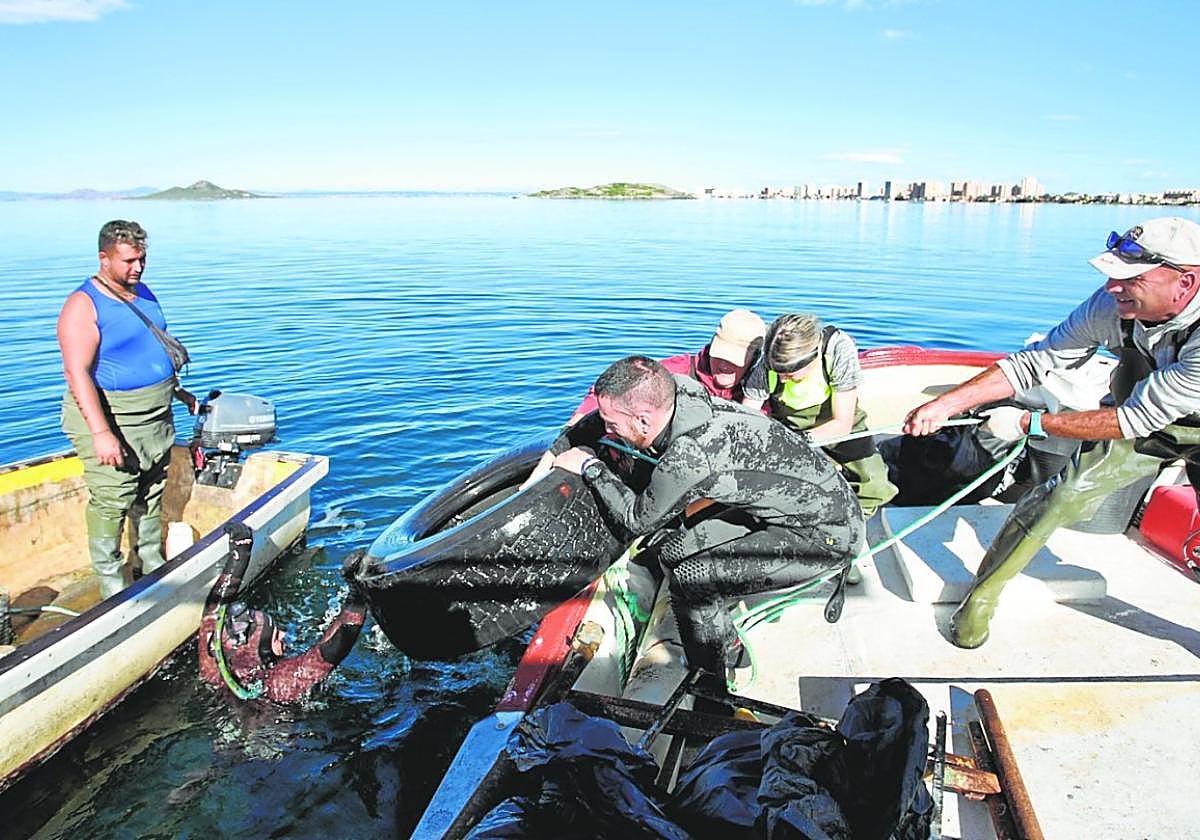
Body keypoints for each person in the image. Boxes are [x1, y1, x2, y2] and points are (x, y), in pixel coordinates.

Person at [903, 216, 1200, 649]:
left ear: (1185, 282)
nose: (1112, 288)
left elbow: (1133, 419)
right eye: (1112, 276)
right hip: (1149, 415)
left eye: (1130, 279)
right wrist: (946, 404)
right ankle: (979, 602)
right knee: (1060, 495)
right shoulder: (1112, 306)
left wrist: (1029, 423)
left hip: (1150, 415)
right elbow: (1036, 361)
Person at [550, 356, 864, 682]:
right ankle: (726, 643)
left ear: (644, 420)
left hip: (827, 536)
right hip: (786, 509)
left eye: (612, 425)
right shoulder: (681, 393)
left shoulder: (691, 456)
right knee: (672, 551)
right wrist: (560, 448)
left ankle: (709, 681)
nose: (608, 431)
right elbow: (604, 420)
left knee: (692, 579)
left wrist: (591, 468)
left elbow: (637, 520)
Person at [57, 220, 196, 598]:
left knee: (151, 488)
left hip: (155, 416)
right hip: (114, 417)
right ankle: (111, 580)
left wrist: (178, 392)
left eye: (142, 259)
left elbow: (149, 348)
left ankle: (147, 558)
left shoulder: (142, 292)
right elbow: (76, 373)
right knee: (113, 496)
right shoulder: (83, 306)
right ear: (104, 258)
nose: (138, 268)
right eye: (129, 261)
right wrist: (101, 433)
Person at [522, 308, 767, 489]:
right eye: (720, 355)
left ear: (755, 358)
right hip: (658, 464)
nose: (724, 365)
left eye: (734, 360)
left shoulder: (760, 395)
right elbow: (613, 387)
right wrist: (576, 422)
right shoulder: (676, 370)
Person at [742, 313, 898, 518]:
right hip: (789, 425)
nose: (782, 378)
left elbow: (842, 423)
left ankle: (857, 518)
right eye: (777, 370)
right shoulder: (770, 360)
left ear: (812, 356)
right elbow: (749, 416)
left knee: (873, 483)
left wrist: (800, 442)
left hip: (839, 422)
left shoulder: (837, 349)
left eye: (789, 372)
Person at [199, 524, 369, 703]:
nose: (283, 634)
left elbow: (214, 611)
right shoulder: (279, 684)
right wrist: (357, 594)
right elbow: (334, 648)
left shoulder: (213, 672)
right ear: (264, 650)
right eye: (276, 636)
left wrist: (240, 555)